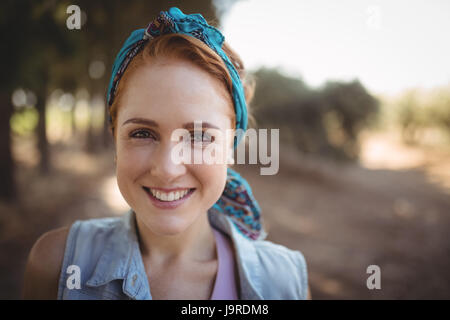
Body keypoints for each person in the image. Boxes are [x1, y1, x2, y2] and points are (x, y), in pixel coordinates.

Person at [22, 7, 310, 300]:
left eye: (198, 137)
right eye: (142, 134)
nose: (168, 168)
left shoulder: (286, 282)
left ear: (230, 147)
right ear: (115, 141)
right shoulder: (56, 266)